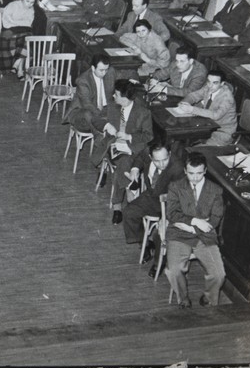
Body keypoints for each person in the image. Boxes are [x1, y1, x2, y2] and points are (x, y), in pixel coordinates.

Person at [165, 152, 225, 308]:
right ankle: (183, 299)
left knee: (219, 275)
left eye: (199, 173)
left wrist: (191, 229)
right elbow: (172, 214)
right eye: (191, 173)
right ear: (185, 171)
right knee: (174, 271)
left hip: (204, 236)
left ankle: (209, 299)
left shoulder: (216, 190)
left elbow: (216, 217)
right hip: (178, 235)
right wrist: (196, 221)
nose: (195, 177)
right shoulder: (175, 186)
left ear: (205, 171)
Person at [91, 80, 153, 210]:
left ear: (125, 98)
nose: (113, 96)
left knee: (124, 162)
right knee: (124, 162)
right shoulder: (112, 106)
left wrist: (129, 136)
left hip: (133, 148)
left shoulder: (143, 112)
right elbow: (95, 118)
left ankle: (117, 204)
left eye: (117, 94)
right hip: (114, 145)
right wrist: (107, 126)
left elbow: (148, 136)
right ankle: (130, 189)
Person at [122, 144, 186, 271]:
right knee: (129, 213)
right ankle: (145, 244)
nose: (162, 164)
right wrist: (135, 169)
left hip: (170, 203)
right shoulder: (147, 152)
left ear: (170, 154)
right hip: (152, 195)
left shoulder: (177, 169)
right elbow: (140, 157)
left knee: (160, 233)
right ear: (151, 157)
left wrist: (166, 218)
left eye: (165, 159)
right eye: (157, 161)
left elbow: (179, 197)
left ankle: (160, 262)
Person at [178, 69, 237, 146]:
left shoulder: (227, 98)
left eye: (215, 83)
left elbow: (216, 115)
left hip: (221, 133)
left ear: (222, 84)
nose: (210, 86)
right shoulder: (208, 88)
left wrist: (192, 109)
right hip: (207, 127)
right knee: (181, 139)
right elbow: (193, 96)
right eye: (208, 82)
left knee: (194, 150)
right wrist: (184, 102)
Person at [66, 53, 118, 133]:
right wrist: (102, 118)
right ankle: (102, 135)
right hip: (82, 113)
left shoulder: (110, 72)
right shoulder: (83, 80)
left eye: (106, 70)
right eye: (101, 70)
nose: (104, 73)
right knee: (89, 114)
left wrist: (131, 81)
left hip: (105, 109)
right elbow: (87, 104)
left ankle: (113, 137)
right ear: (93, 68)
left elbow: (122, 76)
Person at [0, 0, 36, 78]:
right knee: (22, 40)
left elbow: (28, 23)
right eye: (27, 1)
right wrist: (20, 23)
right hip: (9, 30)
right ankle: (19, 70)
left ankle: (16, 66)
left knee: (27, 39)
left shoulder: (31, 9)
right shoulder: (13, 5)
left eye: (32, 2)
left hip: (23, 30)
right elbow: (6, 23)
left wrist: (15, 22)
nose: (29, 4)